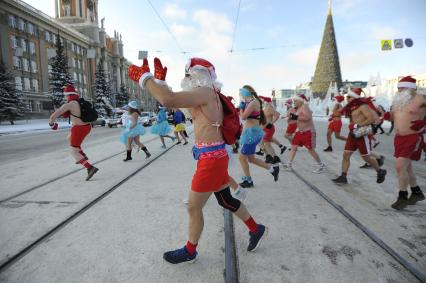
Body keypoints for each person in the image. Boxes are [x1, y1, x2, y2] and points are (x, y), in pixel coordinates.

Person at [128, 57, 267, 264]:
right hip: (215, 156)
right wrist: (161, 83)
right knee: (226, 200)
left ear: (199, 75)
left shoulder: (204, 92)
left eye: (189, 74)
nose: (186, 78)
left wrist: (145, 79)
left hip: (211, 160)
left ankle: (190, 250)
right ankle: (256, 229)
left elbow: (168, 100)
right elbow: (180, 107)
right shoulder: (206, 94)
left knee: (193, 207)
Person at [332, 88, 387, 184]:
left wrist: (357, 125)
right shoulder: (351, 108)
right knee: (346, 155)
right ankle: (343, 177)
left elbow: (371, 119)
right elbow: (336, 113)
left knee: (366, 157)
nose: (347, 99)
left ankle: (380, 171)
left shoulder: (363, 106)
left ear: (354, 97)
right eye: (346, 97)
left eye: (349, 97)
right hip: (352, 134)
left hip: (362, 133)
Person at [389, 76, 425, 210]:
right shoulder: (399, 101)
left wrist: (424, 122)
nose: (399, 90)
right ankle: (417, 192)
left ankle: (402, 197)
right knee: (407, 168)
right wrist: (389, 115)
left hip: (413, 137)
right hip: (398, 138)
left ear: (410, 88)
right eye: (398, 88)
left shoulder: (421, 98)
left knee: (399, 166)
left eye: (401, 88)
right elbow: (396, 116)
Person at [48, 84, 98, 181]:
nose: (65, 97)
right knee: (71, 139)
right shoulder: (80, 102)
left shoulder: (69, 104)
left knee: (73, 151)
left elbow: (53, 117)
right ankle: (82, 154)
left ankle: (90, 168)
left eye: (65, 95)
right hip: (87, 127)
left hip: (79, 128)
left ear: (67, 95)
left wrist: (52, 125)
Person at [238, 85, 280, 188]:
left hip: (250, 134)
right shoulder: (252, 102)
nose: (240, 95)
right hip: (250, 133)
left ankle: (248, 180)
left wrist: (241, 108)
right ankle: (272, 169)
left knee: (242, 158)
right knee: (251, 159)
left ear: (245, 93)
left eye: (241, 93)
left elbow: (243, 117)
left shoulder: (253, 102)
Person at [283, 93, 326, 173]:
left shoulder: (305, 107)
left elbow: (307, 117)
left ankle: (320, 165)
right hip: (300, 132)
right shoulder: (298, 109)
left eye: (295, 101)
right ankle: (289, 165)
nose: (294, 102)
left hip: (308, 132)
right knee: (293, 147)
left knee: (310, 150)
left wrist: (294, 117)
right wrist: (290, 119)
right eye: (294, 101)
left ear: (300, 101)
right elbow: (297, 119)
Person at [260, 96, 282, 164]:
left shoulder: (269, 108)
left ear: (265, 101)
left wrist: (271, 123)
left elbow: (277, 115)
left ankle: (274, 157)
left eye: (262, 100)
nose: (261, 102)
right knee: (264, 144)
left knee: (267, 144)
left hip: (268, 128)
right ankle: (271, 157)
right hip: (265, 128)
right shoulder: (265, 108)